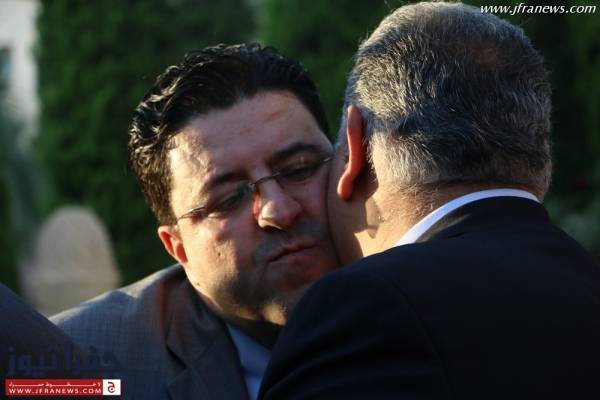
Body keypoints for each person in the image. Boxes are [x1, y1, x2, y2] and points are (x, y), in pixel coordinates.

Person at [259, 2, 600, 399]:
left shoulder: (365, 306)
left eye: (302, 168)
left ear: (355, 147)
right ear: (539, 154)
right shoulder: (586, 285)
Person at [52, 43, 339, 400]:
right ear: (178, 248)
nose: (278, 211)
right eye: (229, 199)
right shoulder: (78, 367)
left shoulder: (407, 287)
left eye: (300, 169)